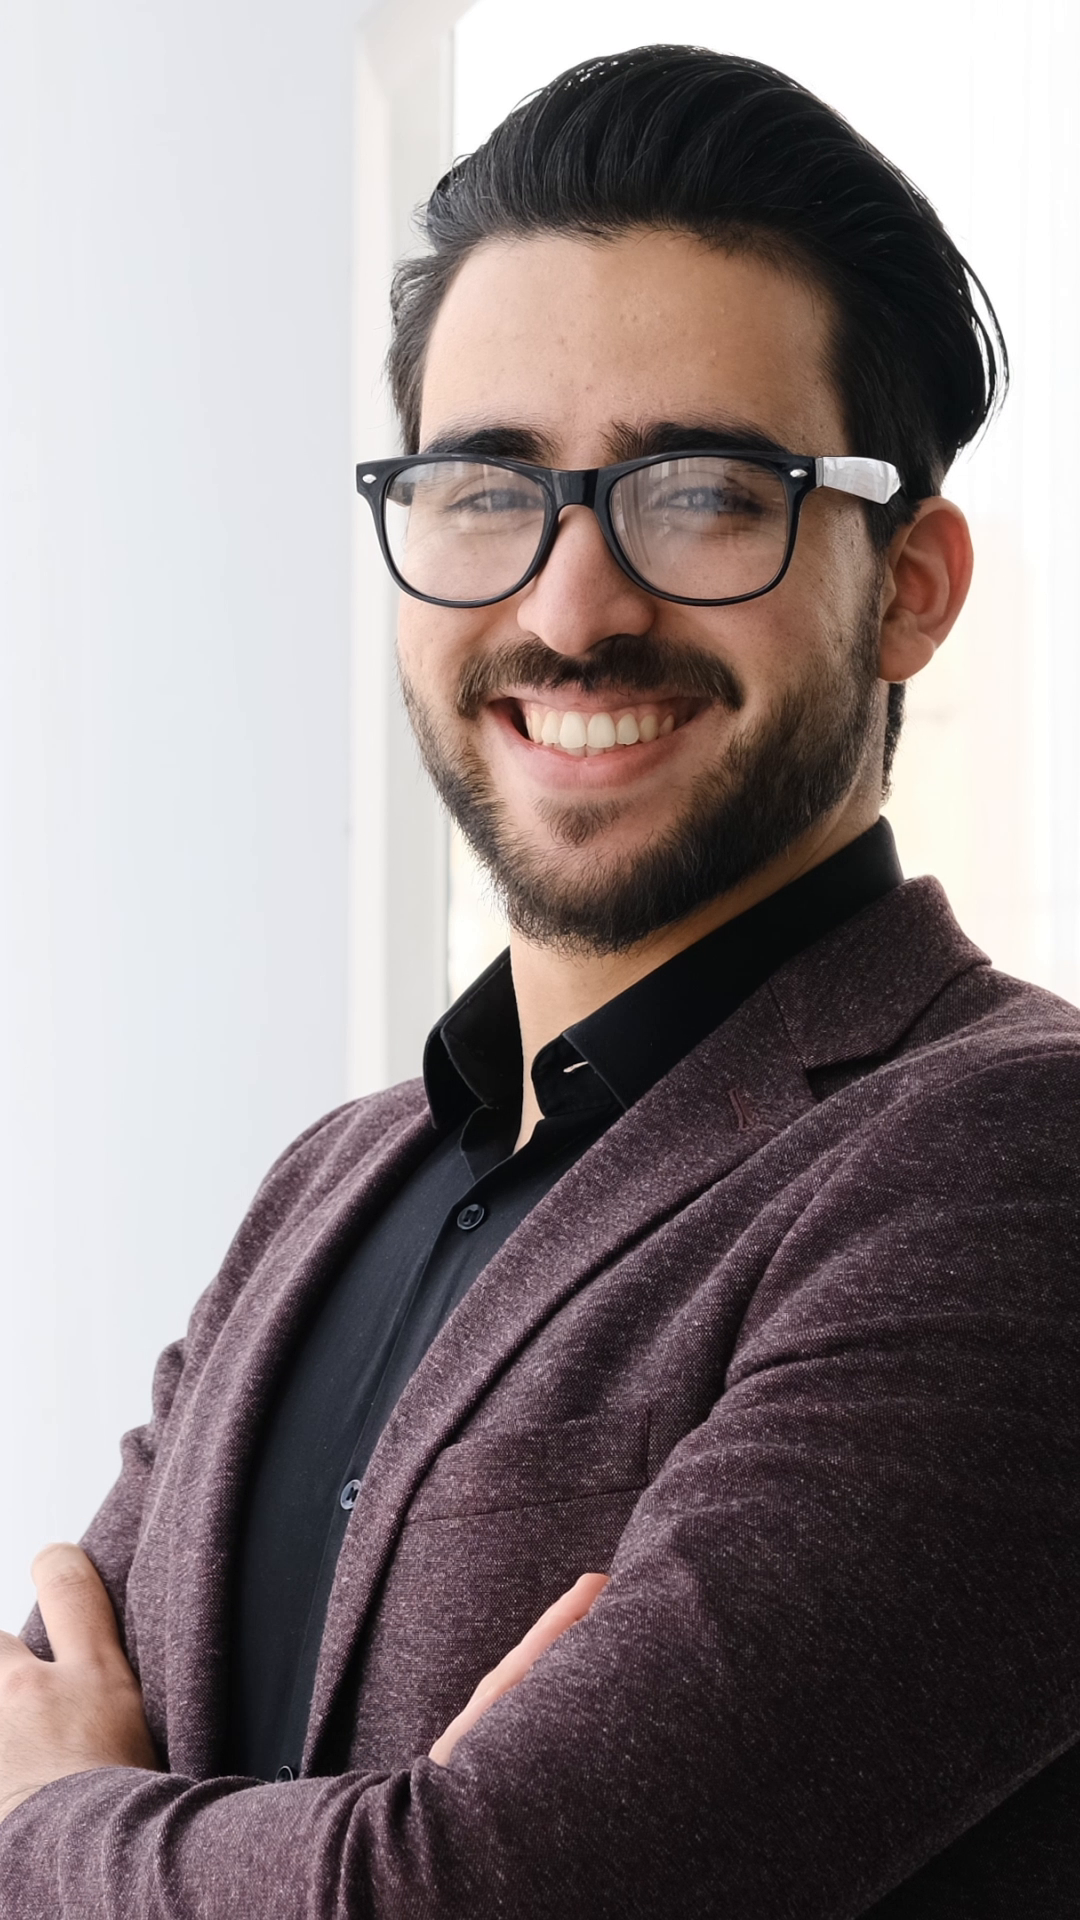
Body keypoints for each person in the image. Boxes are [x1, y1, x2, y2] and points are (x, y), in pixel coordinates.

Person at [1, 43, 1078, 1919]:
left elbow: (477, 1898)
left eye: (705, 493)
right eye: (488, 489)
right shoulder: (331, 1184)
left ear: (910, 582)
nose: (573, 610)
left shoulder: (1016, 1163)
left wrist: (53, 1828)